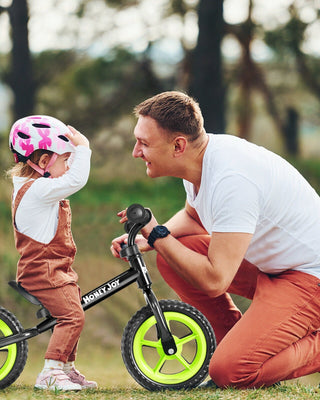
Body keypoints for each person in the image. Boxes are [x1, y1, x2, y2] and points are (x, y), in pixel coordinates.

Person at [111, 91, 320, 389]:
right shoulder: (200, 160)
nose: (136, 152)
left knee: (230, 373)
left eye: (144, 143)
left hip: (309, 277)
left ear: (178, 145)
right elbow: (194, 217)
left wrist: (157, 232)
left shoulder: (232, 179)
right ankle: (235, 342)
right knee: (172, 256)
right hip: (272, 267)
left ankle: (242, 359)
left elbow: (214, 280)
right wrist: (150, 241)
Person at [8, 115, 97, 391]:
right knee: (73, 316)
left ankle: (66, 368)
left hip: (56, 270)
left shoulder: (40, 188)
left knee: (74, 312)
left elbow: (69, 179)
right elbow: (76, 180)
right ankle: (51, 372)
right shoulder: (37, 190)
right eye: (65, 159)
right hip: (42, 272)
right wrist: (84, 149)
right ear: (43, 162)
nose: (69, 165)